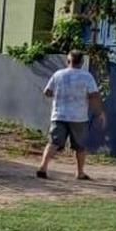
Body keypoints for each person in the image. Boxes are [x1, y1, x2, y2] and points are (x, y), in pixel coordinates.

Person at [37, 50, 105, 180]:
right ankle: (80, 172)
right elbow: (94, 95)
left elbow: (47, 92)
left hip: (59, 115)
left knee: (53, 142)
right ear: (82, 62)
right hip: (78, 117)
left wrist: (60, 94)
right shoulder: (87, 76)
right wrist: (100, 112)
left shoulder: (58, 74)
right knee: (80, 146)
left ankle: (43, 167)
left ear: (68, 61)